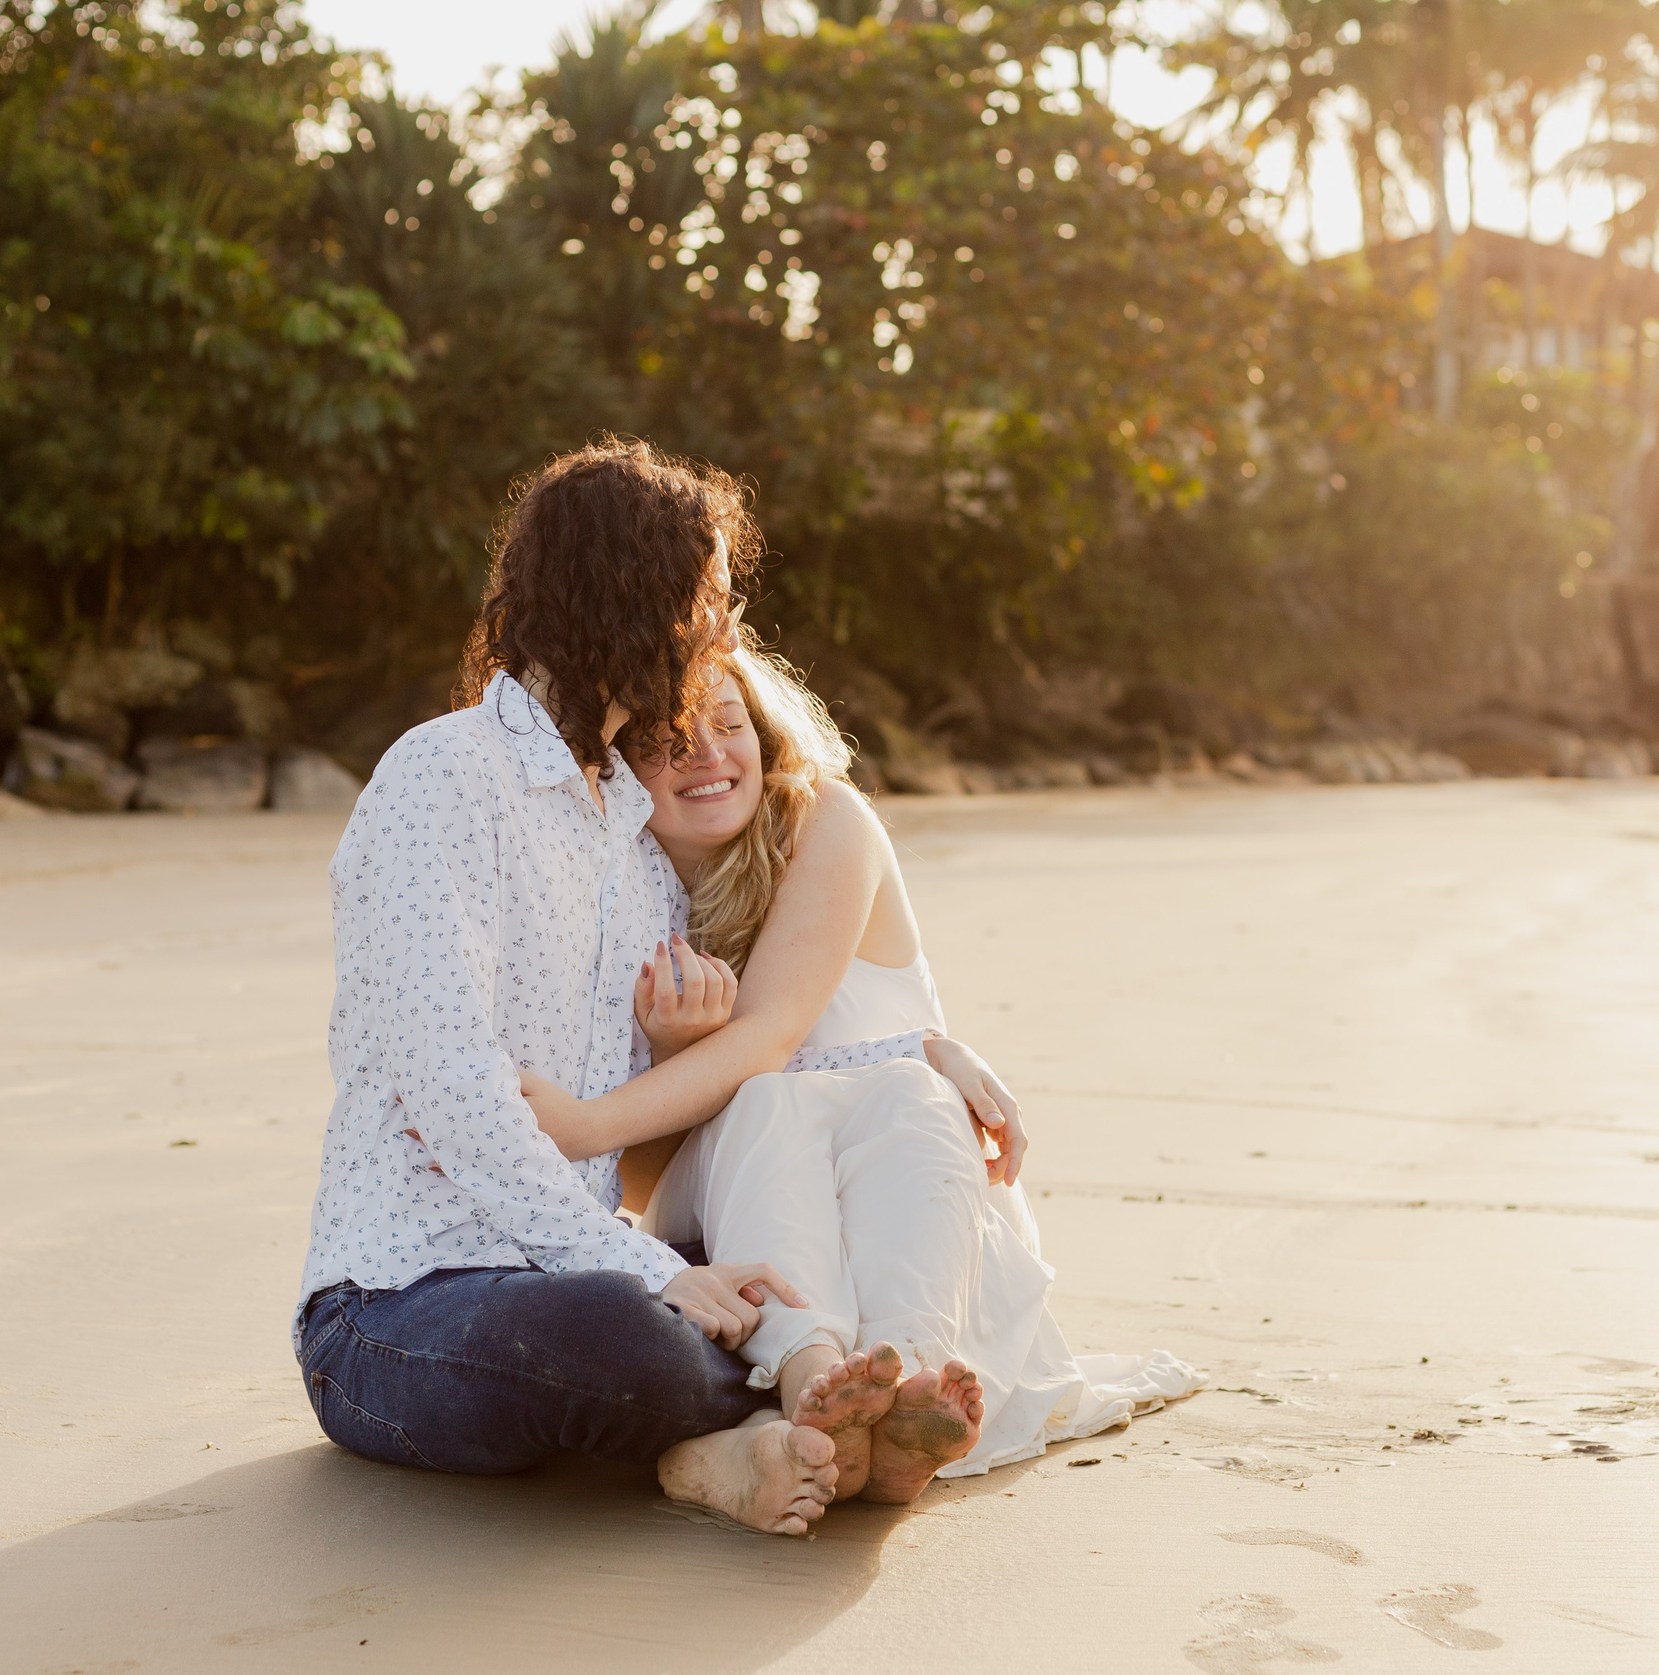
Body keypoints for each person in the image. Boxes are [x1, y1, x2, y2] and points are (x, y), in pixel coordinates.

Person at [295, 439, 936, 1536]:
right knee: (623, 1330)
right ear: (637, 599)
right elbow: (456, 1098)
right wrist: (646, 1269)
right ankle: (707, 1433)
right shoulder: (443, 777)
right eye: (712, 603)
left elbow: (710, 1098)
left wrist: (923, 1051)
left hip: (590, 1260)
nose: (728, 636)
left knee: (780, 1273)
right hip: (405, 1305)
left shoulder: (638, 839)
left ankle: (762, 1431)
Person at [520, 646, 1202, 1503]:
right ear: (618, 768)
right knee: (771, 1103)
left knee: (902, 1091)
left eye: (730, 727)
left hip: (910, 1210)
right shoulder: (630, 906)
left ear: (764, 738)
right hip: (759, 1206)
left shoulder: (826, 822)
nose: (709, 755)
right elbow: (649, 1180)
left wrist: (920, 1050)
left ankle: (907, 1382)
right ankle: (817, 1373)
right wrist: (671, 1056)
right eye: (668, 740)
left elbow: (773, 1033)